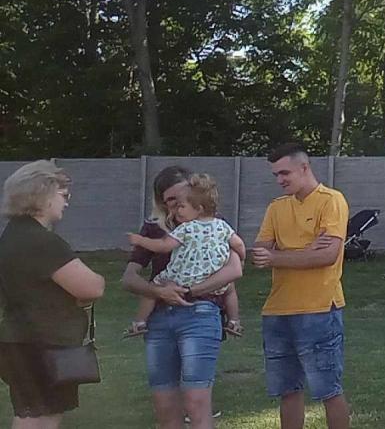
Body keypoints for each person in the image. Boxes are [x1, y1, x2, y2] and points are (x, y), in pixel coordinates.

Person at [122, 166, 244, 429]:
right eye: (170, 201)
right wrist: (158, 291)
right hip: (159, 319)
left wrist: (189, 291)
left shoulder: (213, 224)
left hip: (200, 314)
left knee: (195, 403)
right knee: (165, 407)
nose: (177, 206)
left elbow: (235, 269)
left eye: (181, 198)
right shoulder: (154, 228)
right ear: (161, 203)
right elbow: (129, 278)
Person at [251, 143, 351, 429]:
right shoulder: (277, 207)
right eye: (275, 175)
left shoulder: (331, 200)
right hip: (278, 310)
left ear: (304, 167)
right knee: (287, 390)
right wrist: (306, 251)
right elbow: (259, 254)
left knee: (328, 389)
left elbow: (327, 256)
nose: (280, 180)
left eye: (285, 173)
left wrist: (279, 256)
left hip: (319, 308)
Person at [0, 161, 105, 429]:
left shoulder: (11, 236)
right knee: (41, 417)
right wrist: (95, 282)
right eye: (63, 194)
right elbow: (92, 287)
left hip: (18, 339)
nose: (67, 202)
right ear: (41, 193)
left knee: (31, 412)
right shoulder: (42, 241)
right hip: (47, 342)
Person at [125, 174, 244, 340]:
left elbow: (163, 245)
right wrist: (242, 256)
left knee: (156, 285)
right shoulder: (220, 225)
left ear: (197, 205)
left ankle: (139, 322)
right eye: (171, 200)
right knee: (229, 289)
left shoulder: (188, 227)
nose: (177, 207)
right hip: (192, 289)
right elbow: (239, 244)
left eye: (182, 202)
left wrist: (140, 240)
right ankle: (234, 320)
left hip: (193, 294)